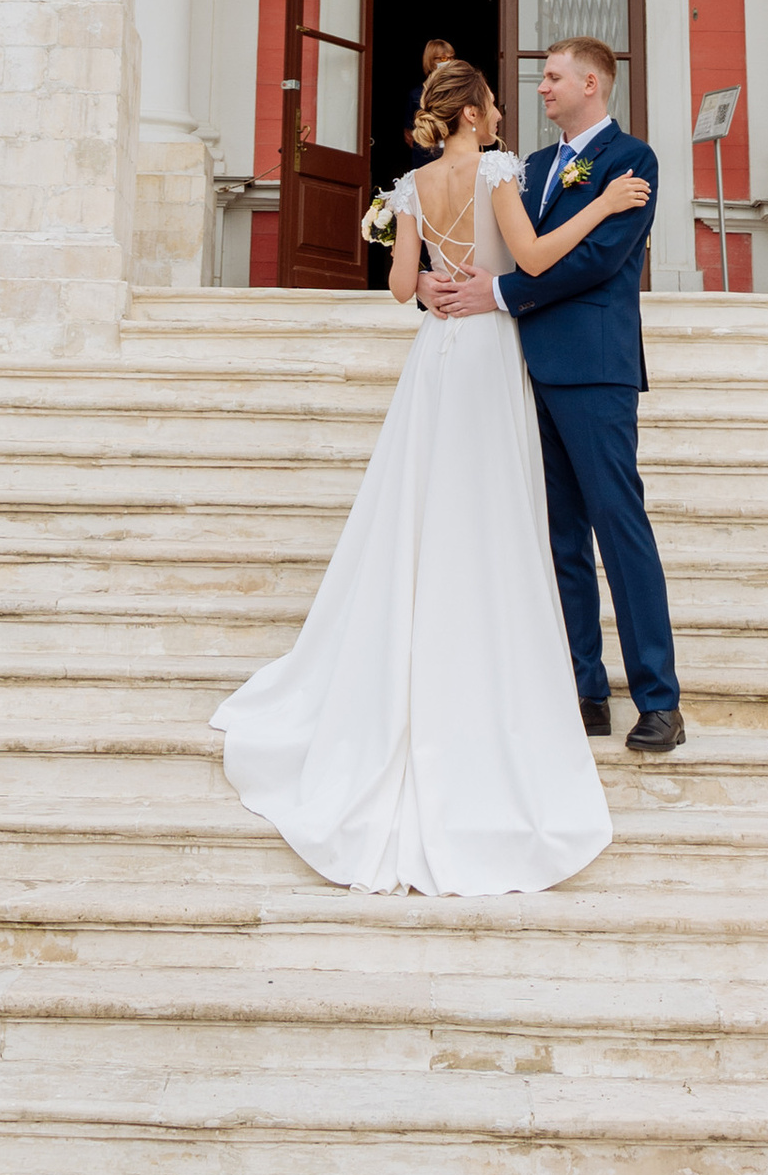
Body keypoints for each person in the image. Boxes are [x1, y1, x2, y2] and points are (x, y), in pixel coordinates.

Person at [212, 56, 652, 893]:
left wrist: (432, 285)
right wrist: (599, 202)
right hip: (487, 349)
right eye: (491, 104)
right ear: (473, 114)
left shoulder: (412, 185)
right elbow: (531, 254)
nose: (500, 114)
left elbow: (395, 288)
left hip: (434, 354)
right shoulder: (494, 170)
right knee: (491, 507)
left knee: (423, 502)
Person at [423, 36, 684, 753]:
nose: (541, 87)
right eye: (541, 79)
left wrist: (502, 292)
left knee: (618, 528)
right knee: (561, 538)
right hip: (524, 370)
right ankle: (585, 690)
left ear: (592, 83)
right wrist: (436, 283)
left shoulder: (633, 163)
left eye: (554, 76)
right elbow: (508, 244)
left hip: (595, 369)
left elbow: (600, 261)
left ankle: (659, 699)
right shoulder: (530, 166)